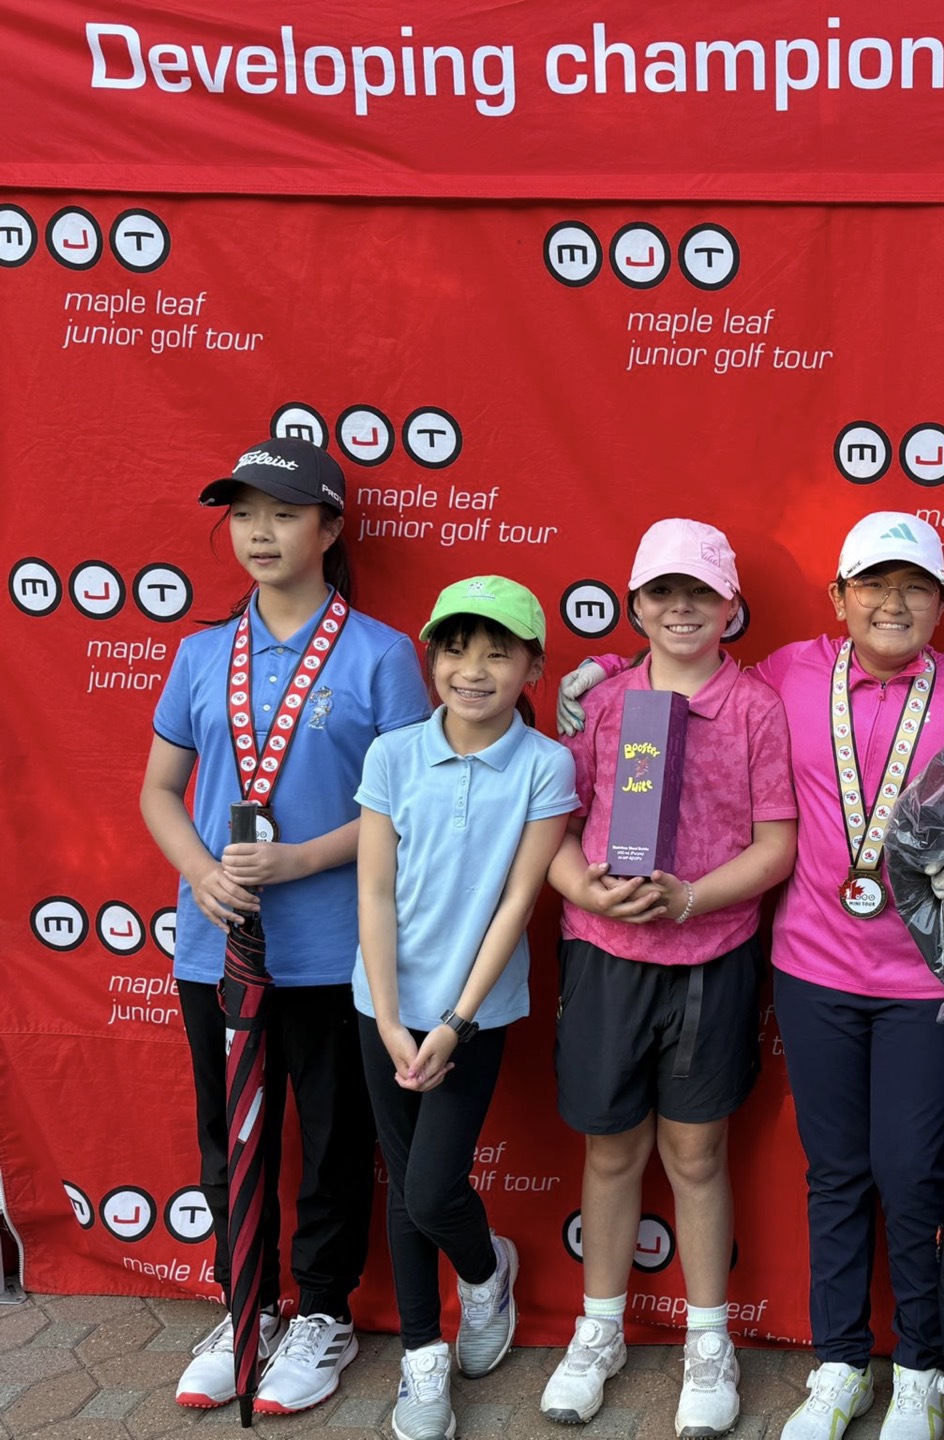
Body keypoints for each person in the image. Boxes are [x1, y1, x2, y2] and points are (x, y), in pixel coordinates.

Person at [565, 513, 944, 1440]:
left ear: (942, 603)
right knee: (837, 1172)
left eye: (916, 587)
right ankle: (840, 1364)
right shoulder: (790, 675)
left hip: (925, 978)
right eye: (874, 585)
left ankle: (921, 1368)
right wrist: (603, 669)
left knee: (914, 1174)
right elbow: (685, 666)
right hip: (813, 968)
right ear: (838, 598)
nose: (894, 603)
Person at [140, 438, 430, 1413]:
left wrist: (300, 861)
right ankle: (246, 1306)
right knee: (229, 1138)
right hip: (216, 946)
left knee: (338, 1139)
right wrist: (202, 873)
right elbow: (159, 791)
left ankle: (324, 1314)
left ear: (331, 528)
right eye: (243, 515)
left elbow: (406, 806)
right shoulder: (199, 654)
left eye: (284, 514)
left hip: (339, 951)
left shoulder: (382, 654)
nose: (259, 533)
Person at [542, 520, 798, 1433]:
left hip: (710, 959)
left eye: (701, 593)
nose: (681, 609)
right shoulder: (603, 703)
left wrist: (690, 898)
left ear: (731, 607)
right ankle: (599, 1329)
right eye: (662, 593)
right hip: (603, 956)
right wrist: (585, 889)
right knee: (611, 1150)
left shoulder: (757, 707)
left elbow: (776, 846)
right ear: (636, 605)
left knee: (696, 1154)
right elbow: (557, 826)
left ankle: (708, 1339)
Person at [354, 576, 577, 1440]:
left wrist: (454, 1022)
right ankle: (422, 1357)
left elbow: (519, 900)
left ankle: (485, 1276)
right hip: (380, 1005)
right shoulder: (392, 755)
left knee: (431, 1189)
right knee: (403, 1185)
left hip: (475, 1013)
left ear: (533, 667)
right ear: (431, 659)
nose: (473, 670)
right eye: (454, 650)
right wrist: (388, 1017)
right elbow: (375, 891)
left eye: (496, 653)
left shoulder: (546, 764)